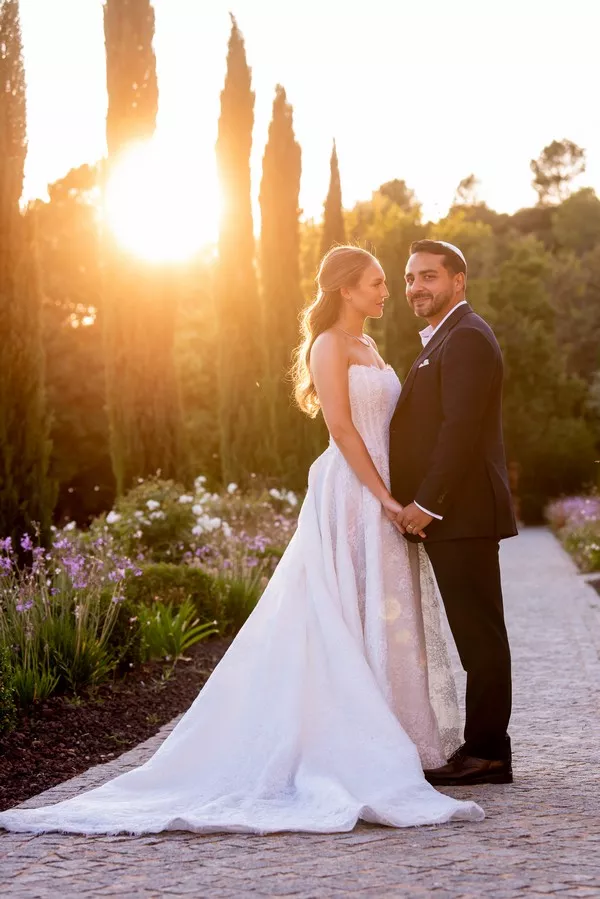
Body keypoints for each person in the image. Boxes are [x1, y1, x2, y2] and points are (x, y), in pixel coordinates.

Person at [0, 246, 483, 836]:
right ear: (345, 290)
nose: (390, 291)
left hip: (381, 483)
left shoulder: (373, 347)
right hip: (353, 489)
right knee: (344, 607)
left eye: (391, 283)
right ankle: (349, 745)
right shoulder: (328, 345)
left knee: (381, 610)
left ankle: (398, 738)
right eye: (378, 283)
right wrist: (382, 495)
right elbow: (340, 426)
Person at [389, 239, 517, 786]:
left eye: (429, 276)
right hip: (454, 514)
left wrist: (426, 505)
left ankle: (487, 751)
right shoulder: (444, 338)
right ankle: (486, 746)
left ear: (458, 281)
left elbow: (459, 431)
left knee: (480, 635)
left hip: (460, 513)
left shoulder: (465, 337)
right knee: (476, 633)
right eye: (410, 277)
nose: (416, 286)